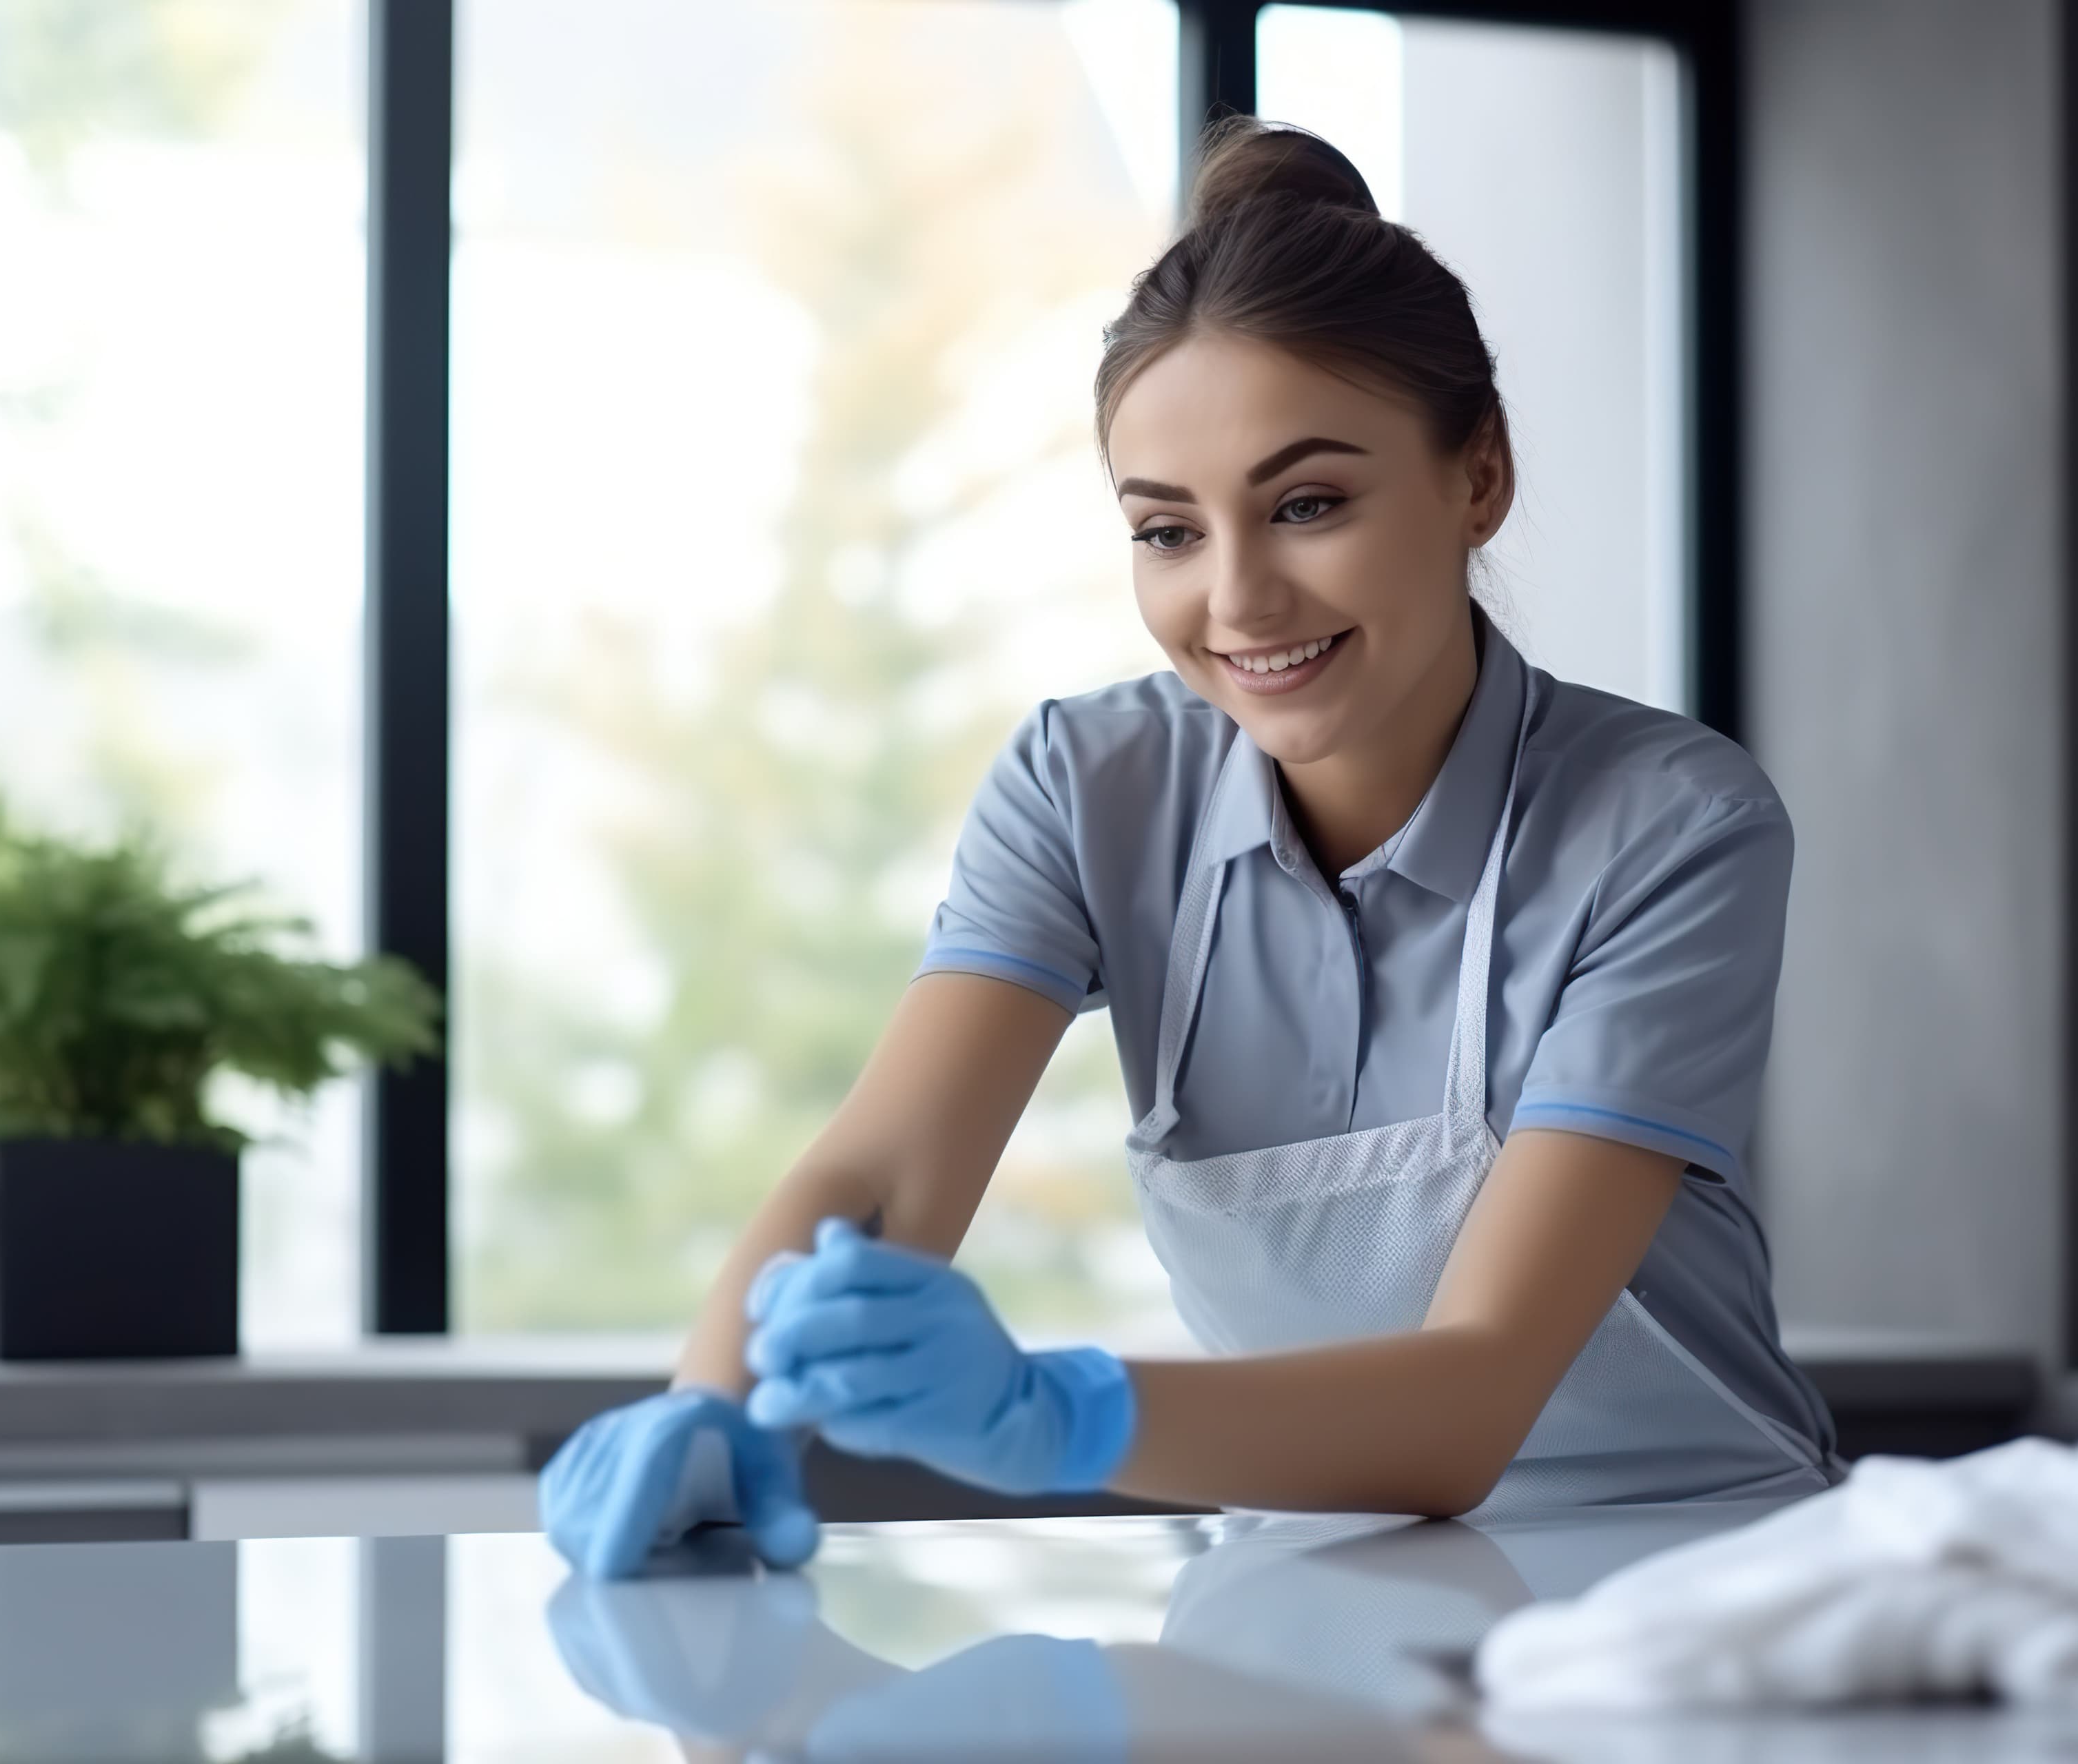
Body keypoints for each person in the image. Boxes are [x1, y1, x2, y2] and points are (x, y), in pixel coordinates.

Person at [542, 119, 1837, 1580]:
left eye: (1309, 505)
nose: (1240, 598)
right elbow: (887, 1171)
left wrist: (1056, 1413)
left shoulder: (1668, 823)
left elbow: (1471, 1396)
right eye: (1168, 531)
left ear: (1479, 478)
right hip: (1305, 1576)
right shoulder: (1090, 786)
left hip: (1684, 1588)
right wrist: (715, 1403)